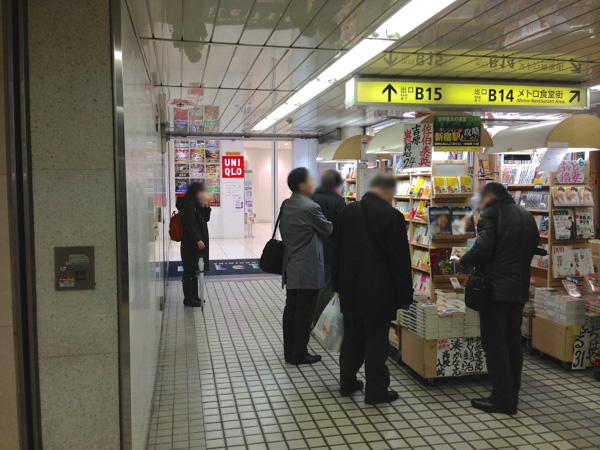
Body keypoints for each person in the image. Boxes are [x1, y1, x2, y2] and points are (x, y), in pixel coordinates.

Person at [459, 182, 539, 415]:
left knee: (495, 343)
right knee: (512, 340)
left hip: (495, 288)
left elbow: (483, 247)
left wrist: (464, 262)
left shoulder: (491, 213)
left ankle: (501, 398)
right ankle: (512, 394)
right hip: (519, 287)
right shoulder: (526, 215)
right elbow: (532, 246)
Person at [333, 174, 413, 405]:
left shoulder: (347, 212)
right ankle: (376, 391)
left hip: (350, 289)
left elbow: (337, 252)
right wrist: (405, 296)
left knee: (352, 337)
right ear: (386, 191)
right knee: (376, 341)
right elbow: (400, 261)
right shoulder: (393, 216)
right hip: (380, 291)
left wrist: (337, 285)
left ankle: (347, 382)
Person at [280, 168, 333, 365]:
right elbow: (327, 228)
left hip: (290, 265)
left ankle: (289, 351)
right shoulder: (310, 207)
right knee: (304, 313)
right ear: (302, 185)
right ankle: (299, 354)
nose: (314, 183)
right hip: (307, 268)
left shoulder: (286, 204)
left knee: (292, 309)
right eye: (311, 180)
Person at [311, 170, 346, 326]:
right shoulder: (338, 202)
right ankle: (319, 322)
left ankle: (309, 317)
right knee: (326, 288)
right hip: (330, 250)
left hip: (311, 249)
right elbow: (342, 228)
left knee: (312, 286)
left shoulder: (310, 198)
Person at [176, 182, 211, 307]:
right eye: (201, 191)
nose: (203, 194)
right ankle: (188, 299)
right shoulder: (188, 204)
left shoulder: (195, 203)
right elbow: (189, 226)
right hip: (190, 243)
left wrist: (206, 206)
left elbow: (205, 219)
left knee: (194, 270)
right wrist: (198, 240)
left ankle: (194, 296)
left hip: (195, 242)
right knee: (189, 270)